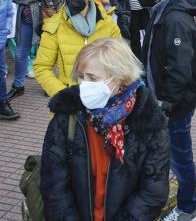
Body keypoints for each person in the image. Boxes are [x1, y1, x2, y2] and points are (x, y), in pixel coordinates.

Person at [40, 38, 170, 220]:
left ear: (120, 78)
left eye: (92, 78)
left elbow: (153, 190)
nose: (84, 84)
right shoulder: (67, 114)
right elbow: (53, 184)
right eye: (81, 76)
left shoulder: (148, 121)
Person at [136, 0, 196, 221]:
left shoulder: (174, 18)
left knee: (180, 157)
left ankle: (188, 209)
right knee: (167, 153)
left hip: (174, 104)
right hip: (161, 98)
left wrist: (168, 103)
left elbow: (180, 69)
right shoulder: (162, 9)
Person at [34, 0, 121, 97]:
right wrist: (64, 95)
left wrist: (111, 89)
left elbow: (119, 62)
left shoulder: (108, 23)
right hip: (71, 99)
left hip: (103, 96)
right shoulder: (54, 26)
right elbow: (42, 67)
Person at [9, 0, 61, 100]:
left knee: (45, 53)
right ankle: (18, 85)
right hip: (24, 19)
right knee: (20, 53)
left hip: (44, 19)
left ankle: (48, 84)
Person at [0, 0, 16, 119]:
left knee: (1, 72)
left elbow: (10, 13)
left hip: (1, 37)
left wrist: (7, 29)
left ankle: (3, 103)